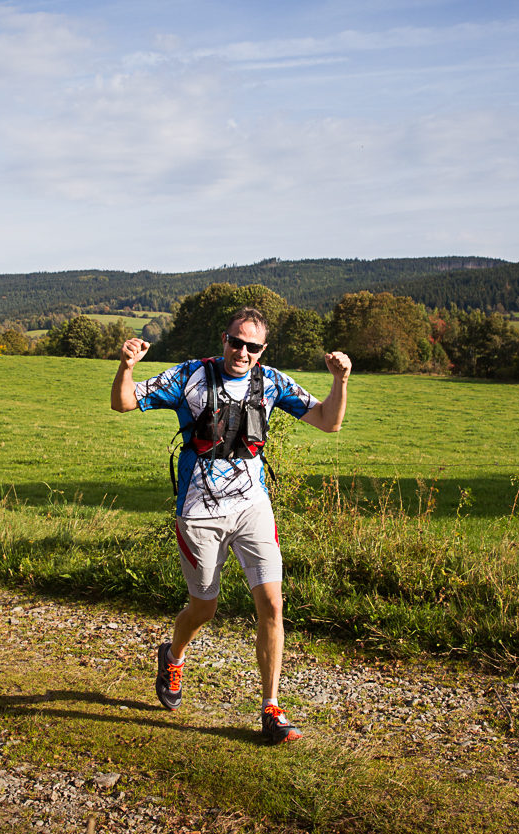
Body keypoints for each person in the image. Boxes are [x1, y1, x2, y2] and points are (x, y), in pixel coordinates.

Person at [110, 306, 351, 745]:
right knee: (204, 608)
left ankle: (271, 709)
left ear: (262, 350)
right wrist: (126, 367)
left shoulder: (272, 382)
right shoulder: (190, 376)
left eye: (252, 346)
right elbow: (123, 402)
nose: (242, 351)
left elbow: (328, 422)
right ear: (224, 339)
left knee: (273, 605)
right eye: (235, 341)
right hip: (199, 511)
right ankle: (173, 654)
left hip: (252, 507)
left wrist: (341, 381)